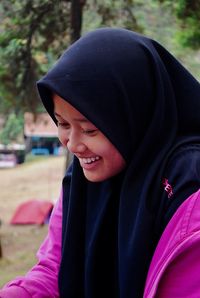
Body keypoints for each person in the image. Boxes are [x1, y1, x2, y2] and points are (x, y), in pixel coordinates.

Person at [1, 27, 200, 298]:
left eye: (90, 129)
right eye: (62, 124)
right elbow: (53, 272)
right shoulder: (83, 180)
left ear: (132, 118)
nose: (73, 144)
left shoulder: (186, 189)